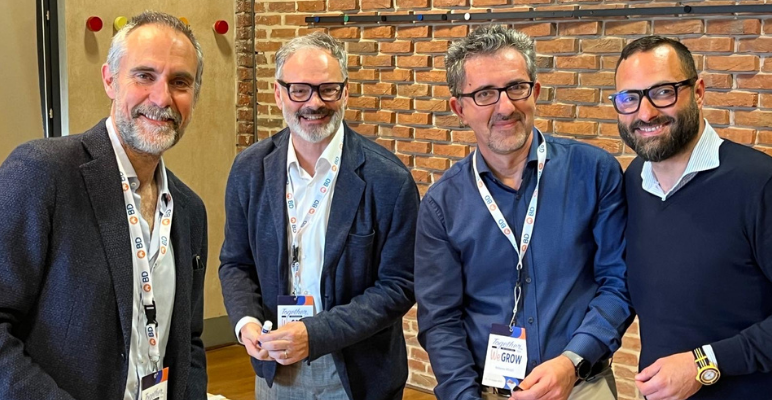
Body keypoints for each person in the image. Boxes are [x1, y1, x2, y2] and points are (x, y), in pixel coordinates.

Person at [415, 24, 633, 400]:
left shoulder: (595, 173)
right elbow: (440, 321)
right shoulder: (441, 205)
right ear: (459, 108)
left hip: (583, 385)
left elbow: (619, 282)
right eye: (484, 93)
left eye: (516, 87)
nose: (505, 107)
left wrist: (572, 362)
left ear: (535, 92)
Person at [0, 11, 207, 400]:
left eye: (180, 82)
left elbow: (189, 342)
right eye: (144, 76)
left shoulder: (190, 210)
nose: (162, 98)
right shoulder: (42, 174)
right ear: (110, 80)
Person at [218, 32, 419, 400]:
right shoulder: (249, 170)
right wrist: (246, 323)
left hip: (357, 370)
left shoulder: (389, 179)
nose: (314, 103)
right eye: (299, 90)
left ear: (345, 92)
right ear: (278, 93)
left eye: (328, 89)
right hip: (274, 364)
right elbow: (235, 263)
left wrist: (315, 334)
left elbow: (399, 285)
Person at [613, 36, 772, 400]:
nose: (645, 113)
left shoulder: (758, 183)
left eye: (663, 92)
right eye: (629, 98)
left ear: (698, 92)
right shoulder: (633, 183)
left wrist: (705, 363)